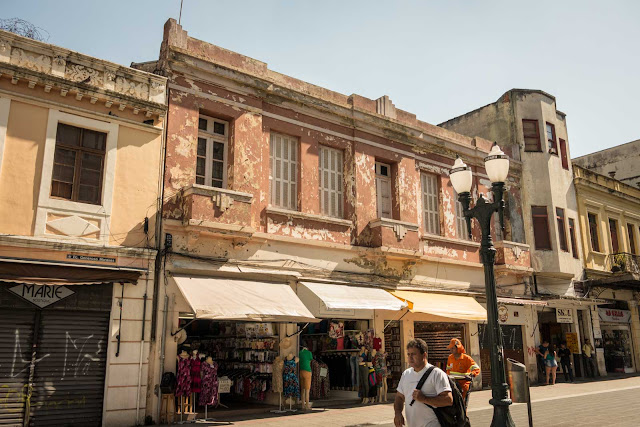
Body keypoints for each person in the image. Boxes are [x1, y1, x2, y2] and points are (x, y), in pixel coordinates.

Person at [394, 339, 453, 427]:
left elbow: (448, 400)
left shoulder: (437, 374)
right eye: (408, 354)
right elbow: (399, 396)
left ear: (424, 355)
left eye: (414, 354)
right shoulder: (406, 374)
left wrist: (424, 399)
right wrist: (398, 413)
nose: (410, 358)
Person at [445, 338, 480, 403]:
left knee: (462, 404)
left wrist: (472, 374)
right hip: (453, 384)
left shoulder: (466, 358)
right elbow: (448, 370)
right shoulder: (450, 358)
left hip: (463, 385)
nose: (451, 350)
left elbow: (476, 368)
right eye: (450, 348)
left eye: (453, 348)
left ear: (458, 348)